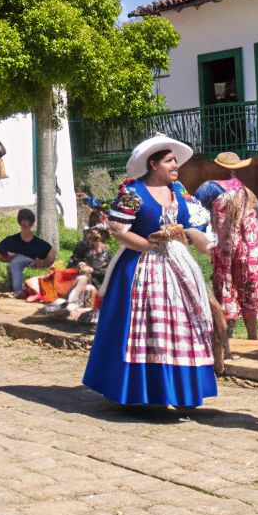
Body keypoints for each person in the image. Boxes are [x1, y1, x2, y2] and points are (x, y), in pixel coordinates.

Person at [82, 136, 223, 411]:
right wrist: (147, 244)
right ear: (153, 164)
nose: (175, 166)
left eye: (175, 161)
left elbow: (193, 223)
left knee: (182, 326)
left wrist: (192, 237)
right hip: (139, 269)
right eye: (170, 161)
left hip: (176, 267)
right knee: (145, 328)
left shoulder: (179, 191)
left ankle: (180, 391)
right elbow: (118, 230)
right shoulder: (134, 193)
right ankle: (142, 391)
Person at [202, 152, 258, 346]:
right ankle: (253, 337)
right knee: (249, 285)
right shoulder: (248, 191)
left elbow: (196, 212)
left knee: (225, 285)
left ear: (217, 167)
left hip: (226, 246)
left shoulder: (209, 188)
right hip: (250, 247)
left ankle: (225, 340)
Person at [0, 208, 56, 297]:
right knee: (17, 262)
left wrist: (43, 263)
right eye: (23, 222)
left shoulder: (41, 245)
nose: (25, 224)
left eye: (27, 222)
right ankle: (19, 291)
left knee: (17, 262)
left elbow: (52, 254)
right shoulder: (10, 241)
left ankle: (20, 290)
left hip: (35, 270)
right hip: (19, 270)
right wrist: (7, 258)